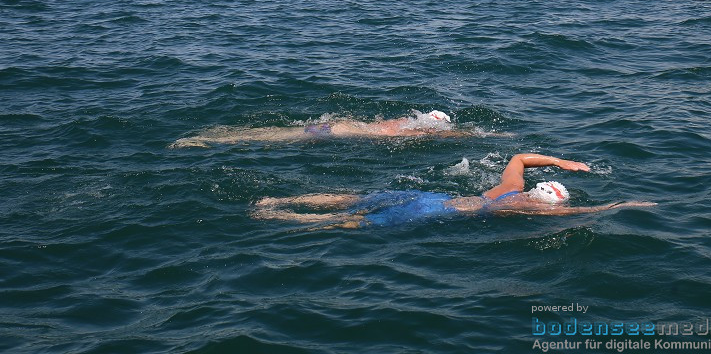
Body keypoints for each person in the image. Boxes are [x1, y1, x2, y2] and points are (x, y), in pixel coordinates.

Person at [251, 153, 656, 228]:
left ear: (541, 188)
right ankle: (282, 217)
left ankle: (280, 202)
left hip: (430, 198)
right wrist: (623, 204)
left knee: (354, 199)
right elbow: (582, 213)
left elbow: (518, 157)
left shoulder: (507, 189)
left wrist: (560, 161)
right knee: (352, 223)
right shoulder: (528, 209)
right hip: (434, 214)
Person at [171, 110, 476, 148]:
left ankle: (210, 136)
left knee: (271, 134)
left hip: (335, 125)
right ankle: (200, 141)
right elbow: (453, 134)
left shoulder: (401, 121)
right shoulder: (409, 132)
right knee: (275, 139)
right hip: (336, 132)